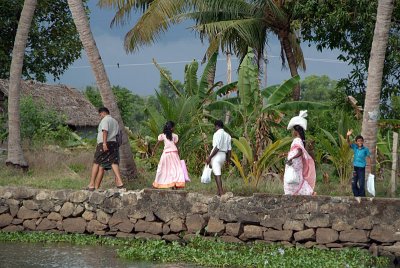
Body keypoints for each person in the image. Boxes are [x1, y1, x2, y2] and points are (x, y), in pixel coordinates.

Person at [86, 107, 124, 191]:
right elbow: (118, 134)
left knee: (96, 162)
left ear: (103, 113)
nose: (100, 117)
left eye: (100, 115)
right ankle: (120, 182)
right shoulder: (115, 121)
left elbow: (105, 131)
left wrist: (104, 143)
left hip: (105, 143)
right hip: (114, 144)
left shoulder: (105, 120)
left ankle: (91, 184)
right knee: (113, 162)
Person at [284, 111, 316, 195]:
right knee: (296, 179)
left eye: (293, 131)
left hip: (295, 165)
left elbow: (299, 151)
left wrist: (291, 158)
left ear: (295, 131)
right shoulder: (300, 140)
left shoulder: (297, 140)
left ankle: (308, 193)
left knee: (293, 180)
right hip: (296, 165)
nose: (292, 132)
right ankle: (307, 192)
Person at [152, 121, 185, 189]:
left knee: (163, 168)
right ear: (172, 128)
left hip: (166, 154)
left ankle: (159, 183)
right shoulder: (175, 136)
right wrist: (179, 152)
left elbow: (157, 143)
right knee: (176, 169)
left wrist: (154, 150)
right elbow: (176, 145)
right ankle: (175, 183)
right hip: (174, 153)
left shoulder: (162, 135)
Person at [206, 120, 232, 196]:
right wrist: (228, 160)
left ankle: (221, 192)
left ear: (216, 126)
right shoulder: (228, 135)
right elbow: (229, 149)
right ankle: (218, 192)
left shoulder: (216, 134)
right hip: (223, 155)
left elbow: (217, 147)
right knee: (216, 172)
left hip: (216, 155)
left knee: (217, 173)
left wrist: (210, 157)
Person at [346, 129, 371, 197]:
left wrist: (370, 168)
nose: (360, 142)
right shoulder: (355, 147)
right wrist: (347, 136)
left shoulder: (365, 149)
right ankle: (357, 197)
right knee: (353, 184)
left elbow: (368, 158)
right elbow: (348, 142)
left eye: (361, 141)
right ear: (356, 142)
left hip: (361, 169)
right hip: (355, 168)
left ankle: (362, 198)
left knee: (361, 184)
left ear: (363, 141)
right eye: (358, 141)